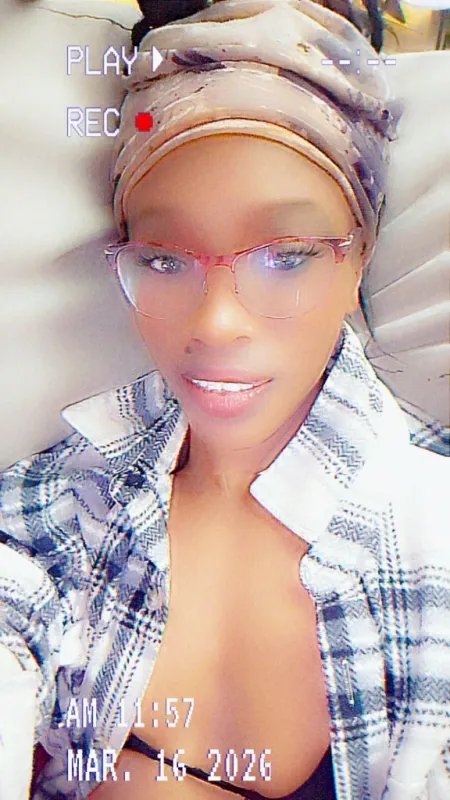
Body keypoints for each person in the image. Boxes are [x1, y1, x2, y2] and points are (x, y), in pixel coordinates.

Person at [0, 1, 448, 799]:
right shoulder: (64, 501)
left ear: (359, 260)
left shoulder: (433, 534)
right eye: (164, 261)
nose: (214, 323)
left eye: (285, 256)